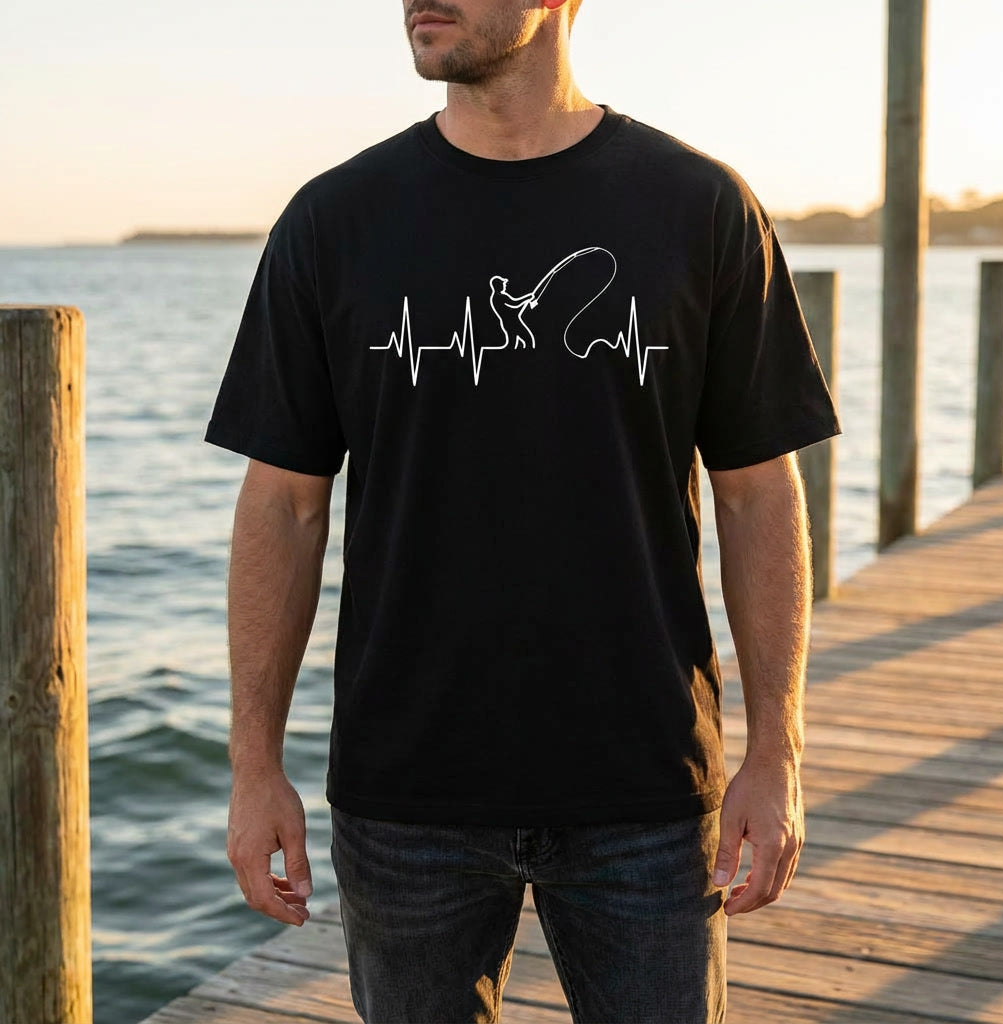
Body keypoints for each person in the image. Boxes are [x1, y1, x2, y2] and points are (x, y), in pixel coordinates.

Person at [205, 1, 841, 1021]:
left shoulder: (699, 207)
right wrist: (254, 767)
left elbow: (758, 491)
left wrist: (778, 751)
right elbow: (282, 503)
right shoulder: (334, 221)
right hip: (407, 790)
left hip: (644, 787)